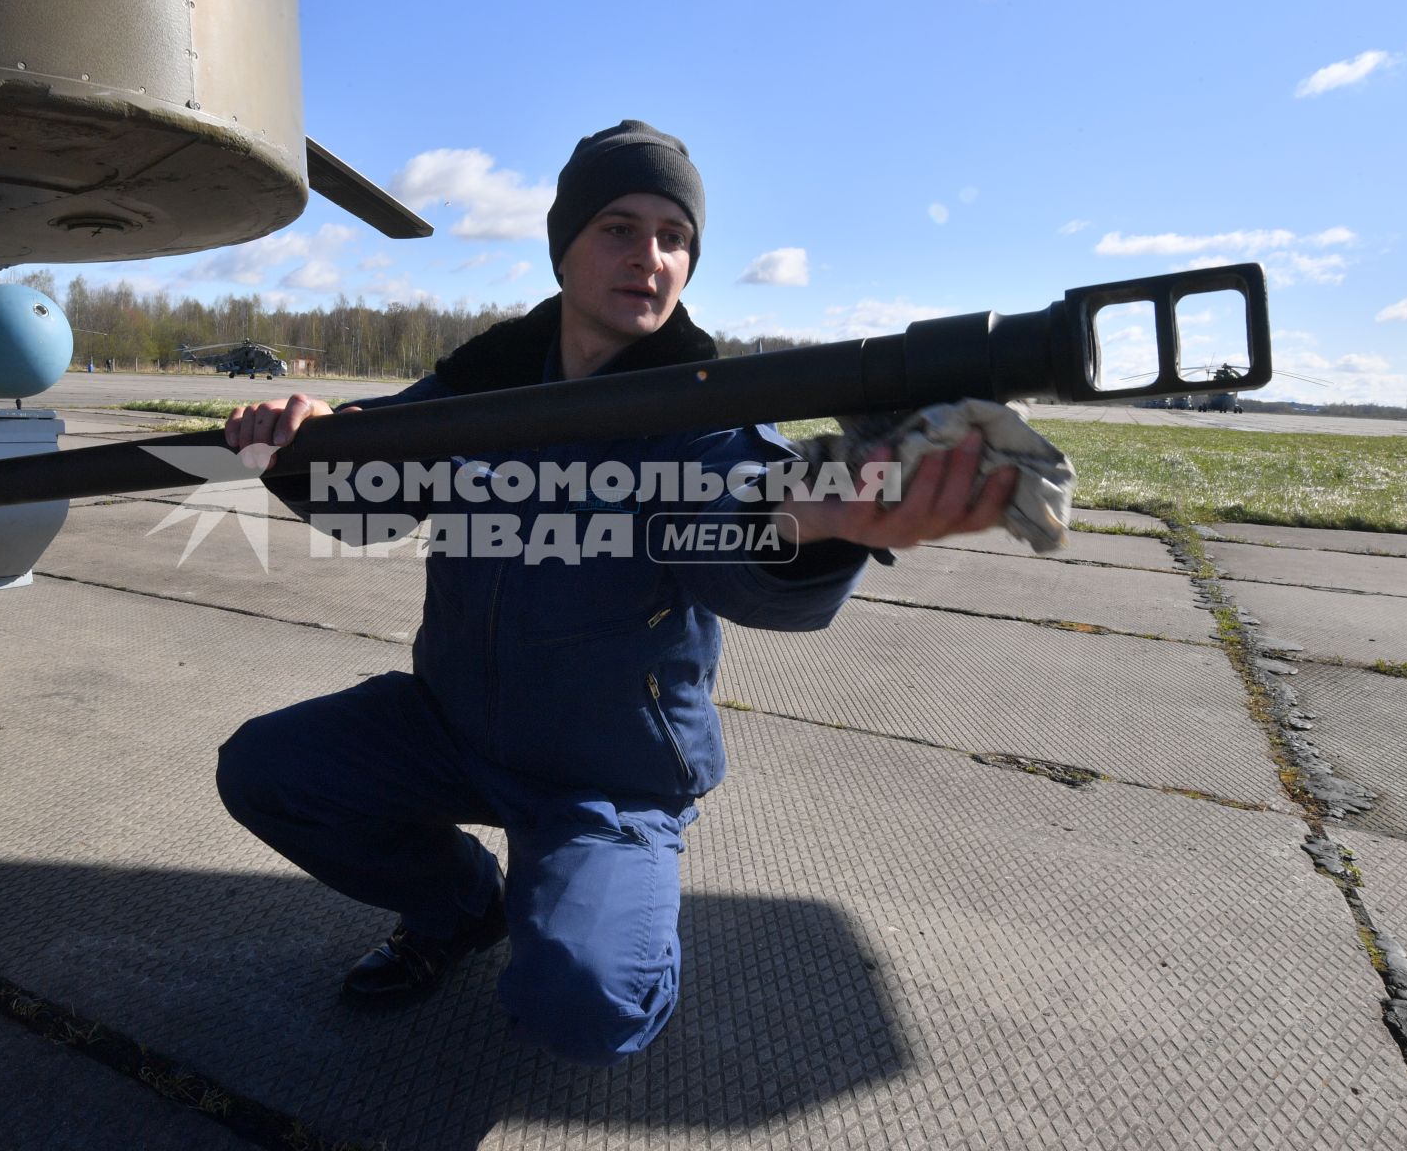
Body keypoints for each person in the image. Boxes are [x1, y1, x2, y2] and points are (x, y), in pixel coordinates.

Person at [214, 120, 1014, 1065]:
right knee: (270, 770)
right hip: (452, 727)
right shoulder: (479, 386)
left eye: (675, 237)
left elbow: (738, 546)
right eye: (619, 229)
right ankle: (466, 908)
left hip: (610, 772)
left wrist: (824, 515)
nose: (652, 258)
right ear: (564, 247)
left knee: (589, 1001)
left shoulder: (701, 410)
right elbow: (368, 505)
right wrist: (296, 445)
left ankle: (593, 916)